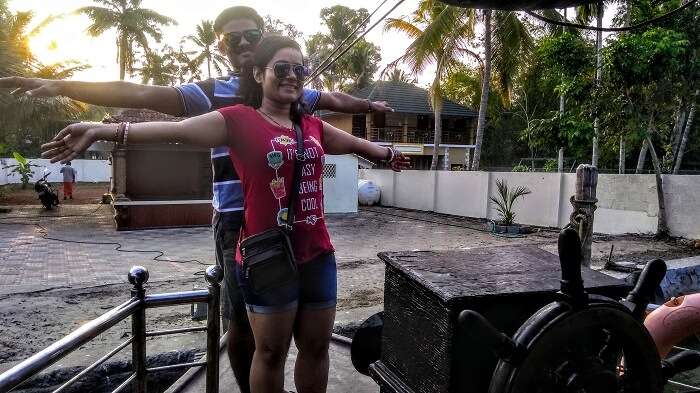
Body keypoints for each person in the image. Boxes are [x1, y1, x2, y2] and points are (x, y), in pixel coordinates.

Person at [1, 6, 395, 393]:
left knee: (301, 331)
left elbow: (334, 103)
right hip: (237, 220)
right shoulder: (212, 94)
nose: (242, 43)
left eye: (251, 36)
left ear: (263, 41)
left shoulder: (290, 88)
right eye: (231, 38)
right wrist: (64, 86)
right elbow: (139, 93)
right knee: (242, 323)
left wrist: (370, 107)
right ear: (223, 47)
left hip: (298, 223)